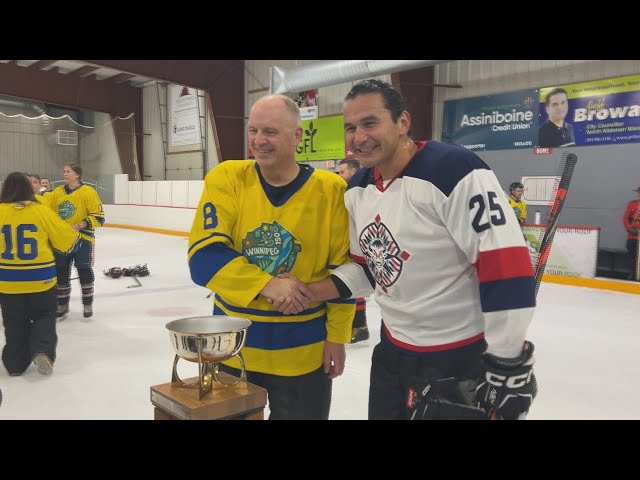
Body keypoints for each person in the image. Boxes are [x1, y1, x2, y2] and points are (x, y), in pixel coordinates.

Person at [283, 79, 538, 420]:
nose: (358, 137)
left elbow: (505, 265)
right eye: (350, 127)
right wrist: (311, 292)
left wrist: (507, 360)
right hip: (392, 354)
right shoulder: (357, 189)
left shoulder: (455, 170)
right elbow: (370, 268)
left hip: (459, 358)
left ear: (403, 123)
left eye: (370, 123)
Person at [187, 94, 355, 420]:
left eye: (271, 132)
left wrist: (337, 337)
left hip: (305, 353)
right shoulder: (227, 178)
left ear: (297, 136)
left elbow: (342, 269)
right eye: (253, 131)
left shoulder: (331, 190)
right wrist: (269, 285)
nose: (259, 141)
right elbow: (203, 257)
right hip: (233, 351)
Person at [0, 172, 81, 376]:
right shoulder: (41, 211)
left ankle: (15, 365)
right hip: (41, 278)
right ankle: (42, 350)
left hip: (8, 281)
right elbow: (66, 240)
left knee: (13, 321)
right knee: (44, 316)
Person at [47, 163, 105, 319]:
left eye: (68, 171)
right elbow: (49, 214)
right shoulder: (58, 192)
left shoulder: (88, 192)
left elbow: (99, 217)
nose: (64, 173)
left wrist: (81, 224)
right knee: (61, 272)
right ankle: (62, 305)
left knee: (84, 270)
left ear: (77, 175)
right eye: (64, 171)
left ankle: (87, 305)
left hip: (82, 240)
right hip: (62, 241)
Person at [337, 158, 370, 344]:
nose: (340, 175)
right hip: (348, 240)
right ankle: (358, 327)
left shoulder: (361, 191)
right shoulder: (346, 191)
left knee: (354, 286)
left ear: (353, 171)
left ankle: (358, 327)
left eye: (342, 171)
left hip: (356, 243)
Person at [623, 186, 640, 280]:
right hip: (632, 237)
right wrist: (630, 229)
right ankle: (632, 275)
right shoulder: (632, 204)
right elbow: (625, 218)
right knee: (632, 258)